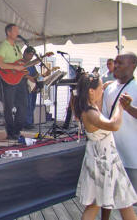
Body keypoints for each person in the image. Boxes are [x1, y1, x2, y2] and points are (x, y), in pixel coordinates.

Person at [73, 72, 137, 220]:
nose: (103, 91)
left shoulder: (91, 105)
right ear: (91, 91)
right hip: (103, 163)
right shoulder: (90, 113)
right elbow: (114, 125)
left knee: (123, 202)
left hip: (106, 161)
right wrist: (121, 107)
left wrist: (105, 85)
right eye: (101, 88)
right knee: (97, 204)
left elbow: (99, 91)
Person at [101, 52, 137, 220]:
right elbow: (104, 118)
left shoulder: (136, 88)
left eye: (120, 63)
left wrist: (129, 108)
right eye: (115, 62)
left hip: (132, 157)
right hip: (111, 154)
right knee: (106, 197)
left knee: (131, 201)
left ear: (132, 66)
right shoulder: (109, 88)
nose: (115, 66)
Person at [0, 23, 27, 140]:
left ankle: (17, 130)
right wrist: (15, 68)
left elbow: (19, 63)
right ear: (9, 32)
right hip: (7, 80)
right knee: (8, 107)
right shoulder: (4, 46)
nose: (18, 33)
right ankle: (10, 133)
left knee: (24, 105)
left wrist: (23, 67)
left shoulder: (17, 47)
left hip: (19, 80)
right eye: (15, 31)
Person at [23, 46, 51, 129]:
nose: (31, 57)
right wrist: (28, 77)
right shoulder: (20, 63)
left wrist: (45, 75)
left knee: (32, 105)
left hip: (33, 88)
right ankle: (25, 123)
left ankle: (30, 122)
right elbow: (21, 75)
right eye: (30, 54)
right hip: (24, 88)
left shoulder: (32, 66)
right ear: (25, 54)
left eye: (32, 55)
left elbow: (36, 77)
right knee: (26, 105)